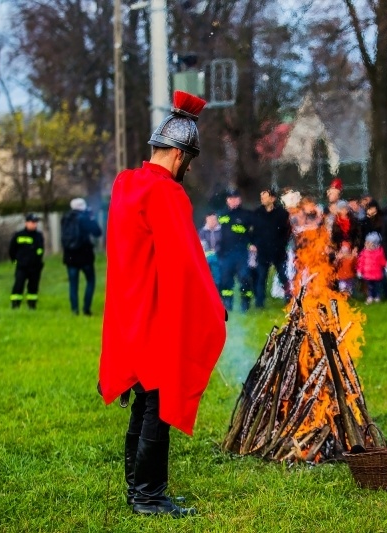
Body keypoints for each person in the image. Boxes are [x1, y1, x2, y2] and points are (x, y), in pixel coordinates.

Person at [99, 90, 227, 518]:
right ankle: (148, 497)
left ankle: (139, 491)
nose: (186, 170)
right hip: (154, 313)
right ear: (177, 155)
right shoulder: (166, 194)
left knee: (144, 398)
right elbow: (186, 263)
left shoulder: (126, 184)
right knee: (158, 400)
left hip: (129, 309)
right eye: (186, 163)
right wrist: (213, 306)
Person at [62, 198, 103, 316]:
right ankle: (86, 309)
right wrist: (91, 217)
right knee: (90, 281)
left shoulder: (65, 218)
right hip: (84, 255)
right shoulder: (84, 218)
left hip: (69, 256)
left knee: (73, 284)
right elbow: (97, 232)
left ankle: (74, 310)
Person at [252, 188, 291, 308]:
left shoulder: (282, 213)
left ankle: (289, 299)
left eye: (265, 196)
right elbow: (253, 231)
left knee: (283, 277)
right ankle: (260, 303)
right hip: (263, 251)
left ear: (272, 198)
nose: (262, 198)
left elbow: (287, 232)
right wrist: (254, 243)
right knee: (261, 277)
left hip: (278, 251)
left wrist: (282, 244)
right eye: (261, 196)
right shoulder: (257, 213)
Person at [218, 189, 256, 312]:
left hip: (242, 253)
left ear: (239, 200)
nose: (233, 201)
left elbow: (256, 232)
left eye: (235, 198)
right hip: (225, 254)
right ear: (227, 200)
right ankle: (227, 303)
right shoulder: (221, 214)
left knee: (244, 278)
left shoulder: (247, 215)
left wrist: (253, 243)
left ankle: (245, 302)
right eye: (230, 198)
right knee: (225, 280)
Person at [8, 213, 45, 309]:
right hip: (22, 266)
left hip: (35, 267)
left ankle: (32, 305)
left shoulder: (38, 236)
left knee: (33, 287)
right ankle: (15, 304)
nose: (34, 224)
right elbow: (12, 250)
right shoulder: (19, 235)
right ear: (26, 223)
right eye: (32, 222)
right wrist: (15, 262)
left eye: (35, 222)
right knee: (18, 285)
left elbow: (41, 249)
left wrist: (38, 260)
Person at [356, 232, 387, 304]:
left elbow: (382, 262)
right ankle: (370, 296)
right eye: (366, 243)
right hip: (367, 275)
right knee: (370, 287)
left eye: (368, 243)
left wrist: (386, 267)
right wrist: (359, 271)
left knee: (377, 287)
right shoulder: (364, 253)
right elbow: (361, 263)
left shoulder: (379, 252)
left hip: (377, 275)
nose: (366, 244)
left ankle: (377, 296)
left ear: (374, 244)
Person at [198, 212, 222, 287]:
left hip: (219, 254)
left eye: (214, 219)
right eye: (210, 220)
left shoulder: (222, 231)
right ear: (206, 220)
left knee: (215, 262)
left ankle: (217, 285)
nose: (212, 221)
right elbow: (202, 245)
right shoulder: (202, 232)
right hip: (206, 255)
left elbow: (223, 244)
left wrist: (216, 251)